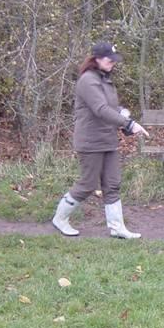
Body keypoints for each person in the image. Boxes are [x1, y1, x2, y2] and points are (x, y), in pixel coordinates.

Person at [51, 41, 150, 239]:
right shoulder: (88, 80)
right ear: (96, 59)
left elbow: (110, 108)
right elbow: (100, 109)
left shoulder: (105, 80)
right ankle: (60, 219)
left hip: (108, 140)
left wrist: (123, 115)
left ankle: (117, 228)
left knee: (112, 184)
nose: (113, 62)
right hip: (90, 141)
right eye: (109, 59)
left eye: (114, 60)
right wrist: (129, 124)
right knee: (87, 184)